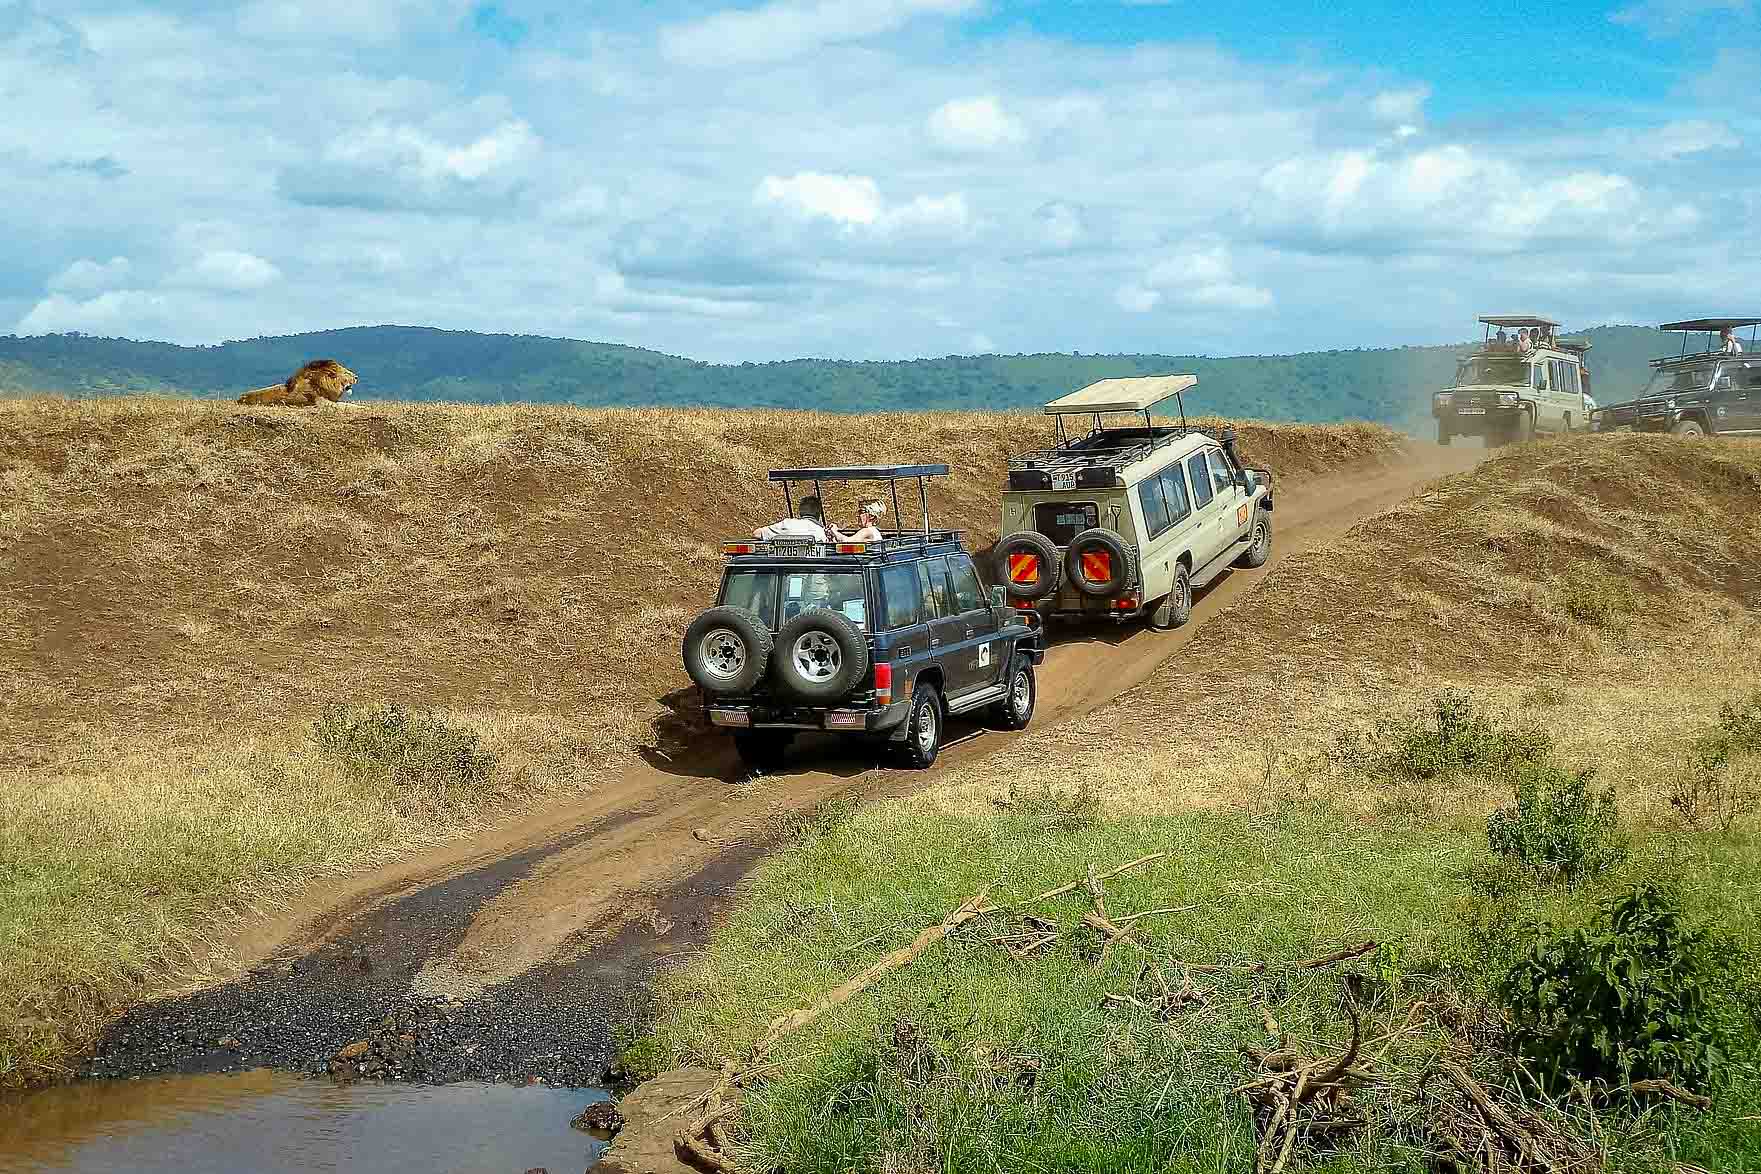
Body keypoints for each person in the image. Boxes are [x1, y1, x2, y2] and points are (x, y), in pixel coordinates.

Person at [754, 494, 828, 541]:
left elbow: (757, 533)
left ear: (800, 511)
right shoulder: (822, 532)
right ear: (819, 512)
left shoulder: (786, 524)